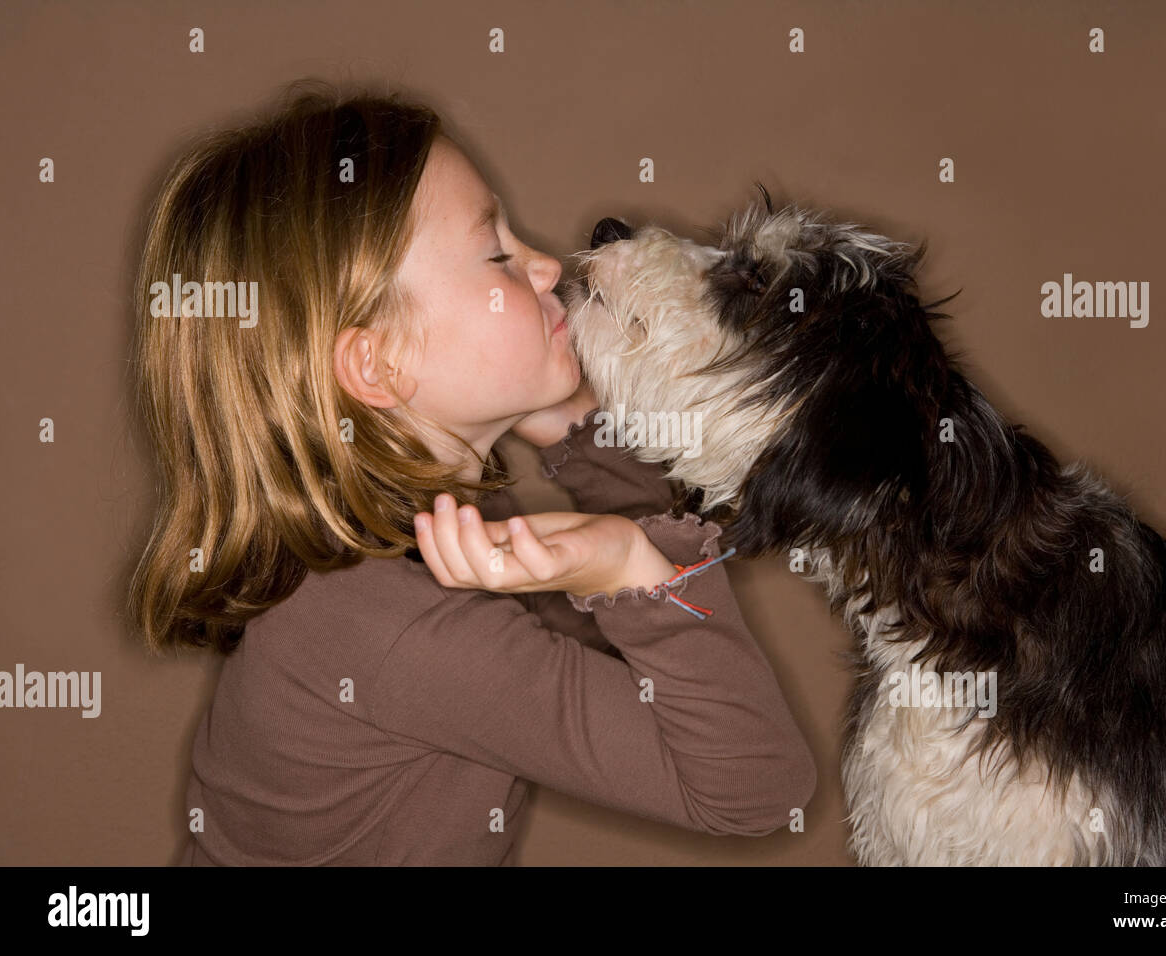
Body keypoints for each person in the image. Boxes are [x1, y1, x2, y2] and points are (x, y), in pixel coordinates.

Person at [128, 82, 817, 865]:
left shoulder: (408, 565)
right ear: (379, 364)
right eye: (498, 254)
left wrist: (583, 444)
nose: (548, 266)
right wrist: (630, 563)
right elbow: (754, 787)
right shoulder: (398, 630)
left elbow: (651, 648)